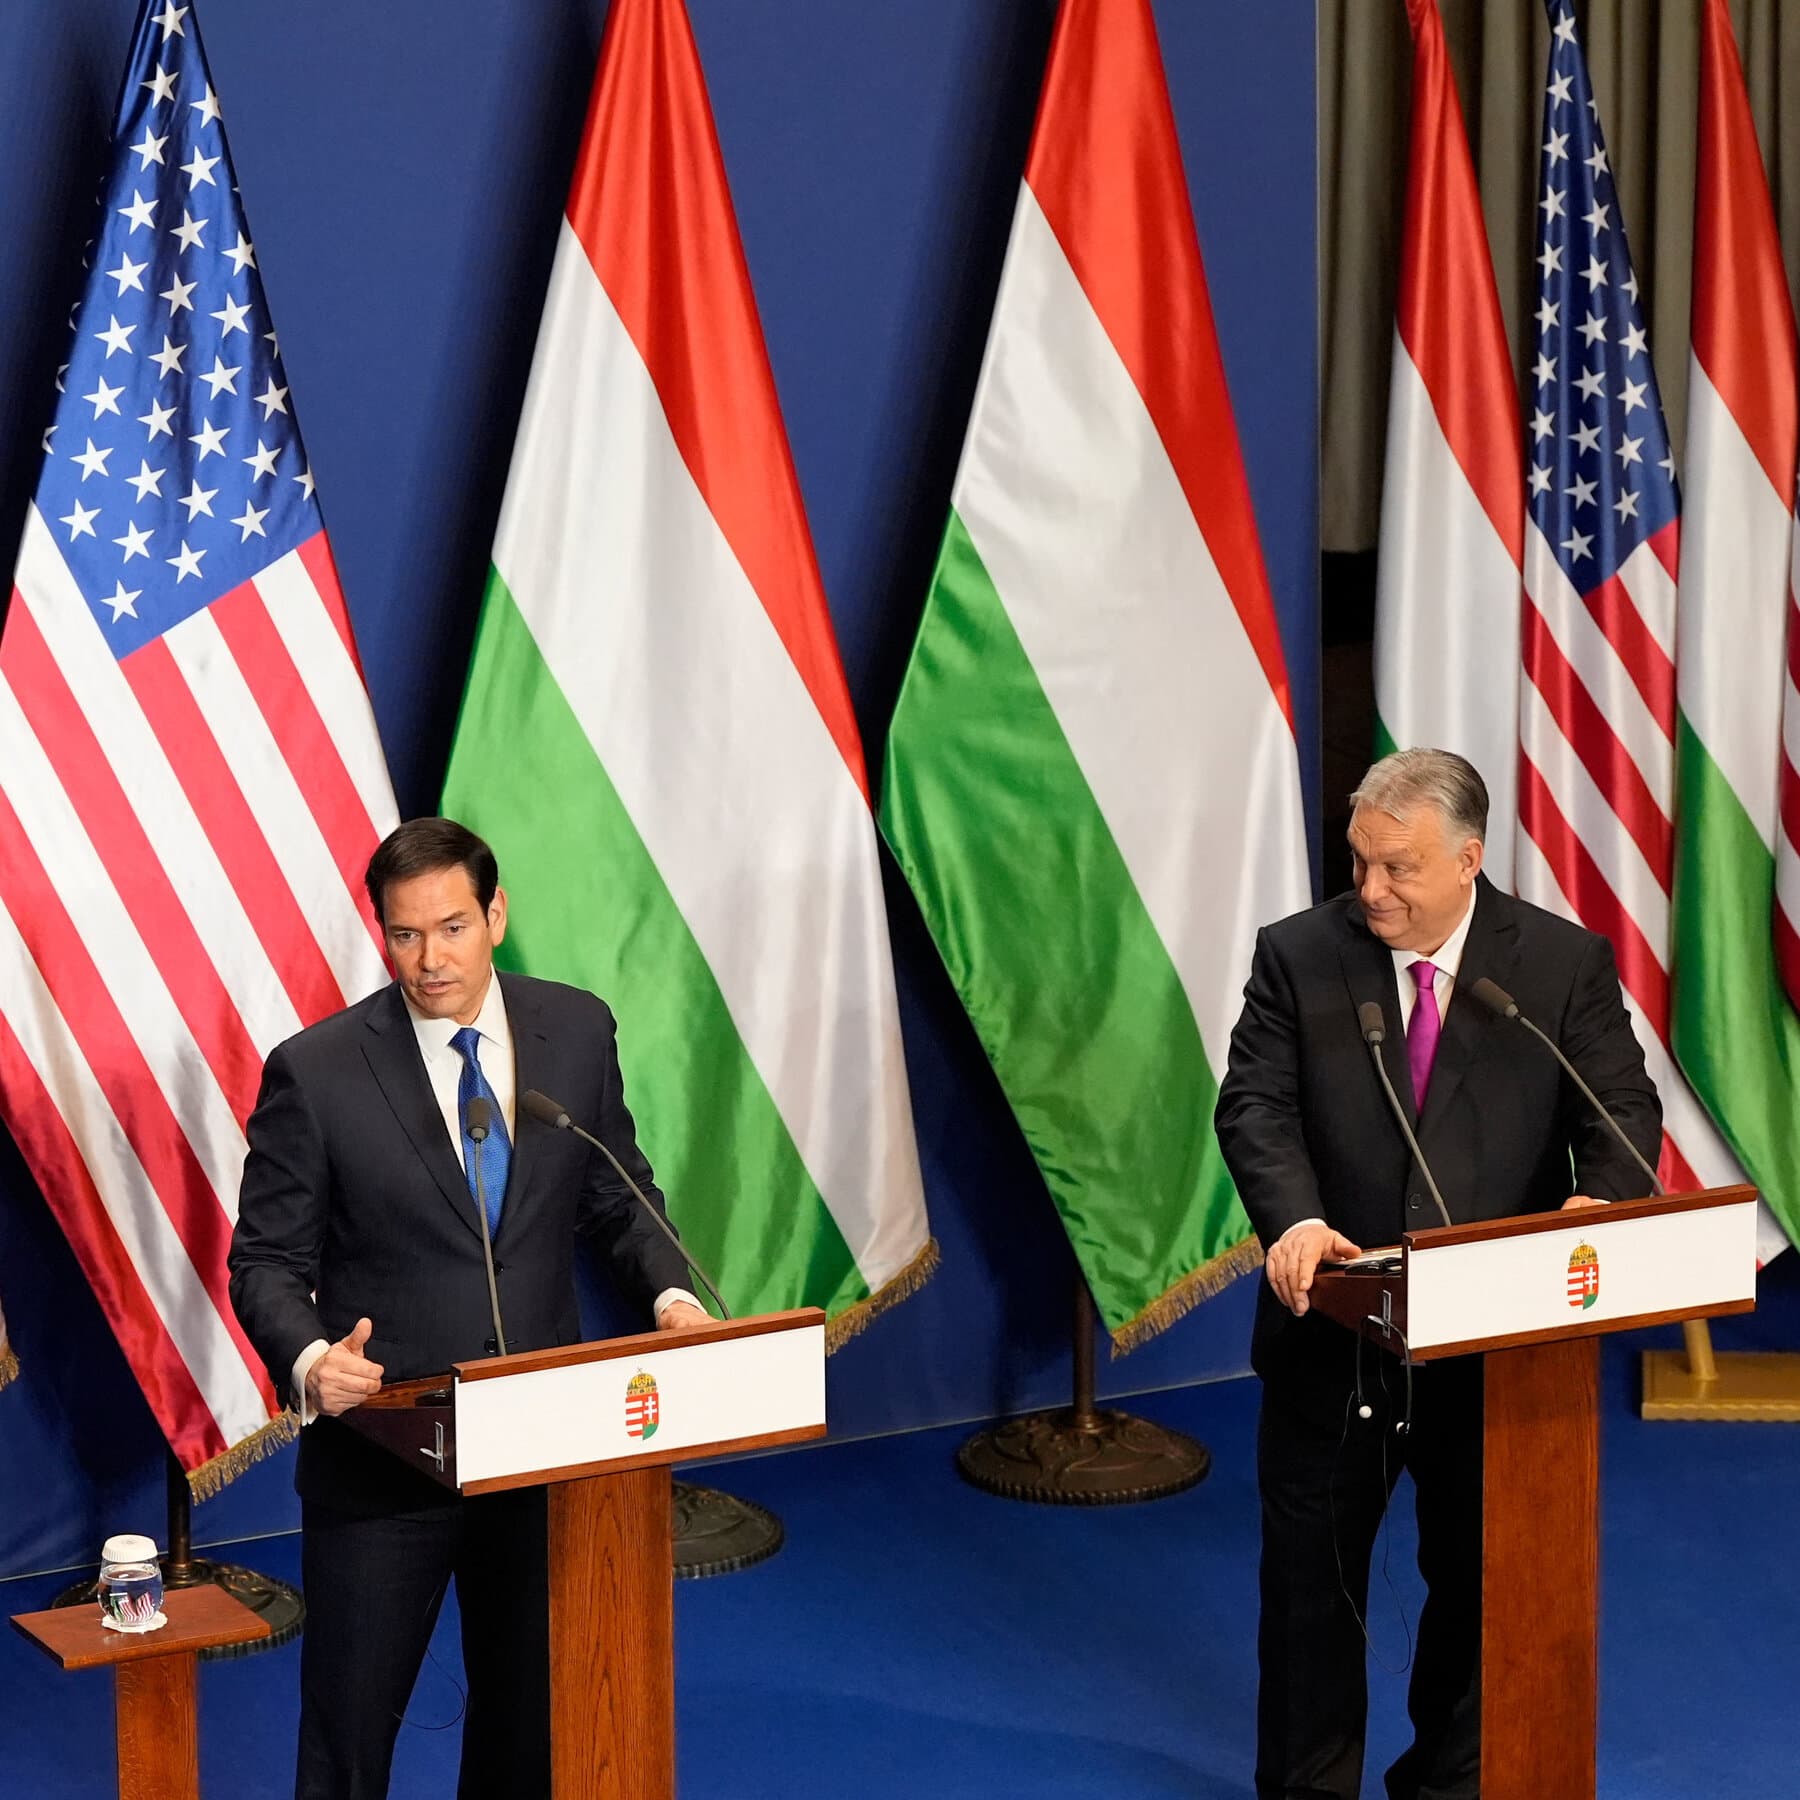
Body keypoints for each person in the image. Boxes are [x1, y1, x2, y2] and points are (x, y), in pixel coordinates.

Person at [228, 817, 710, 1800]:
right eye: (404, 935)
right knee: (349, 1741)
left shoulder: (575, 1031)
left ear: (496, 914)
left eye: (451, 928)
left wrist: (670, 1295)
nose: (429, 959)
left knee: (530, 1727)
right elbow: (265, 1263)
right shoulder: (316, 1072)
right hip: (386, 1453)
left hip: (541, 1448)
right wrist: (314, 1358)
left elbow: (616, 1193)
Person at [1215, 748, 1660, 1800]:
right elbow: (1256, 1106)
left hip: (1495, 1351)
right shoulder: (1300, 955)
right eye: (1360, 862)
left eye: (1398, 870)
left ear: (1470, 859)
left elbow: (1621, 1117)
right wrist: (1301, 1218)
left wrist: (1601, 1204)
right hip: (1336, 1330)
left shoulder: (1556, 965)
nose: (1370, 890)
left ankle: (1450, 1787)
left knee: (1478, 1590)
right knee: (1312, 1598)